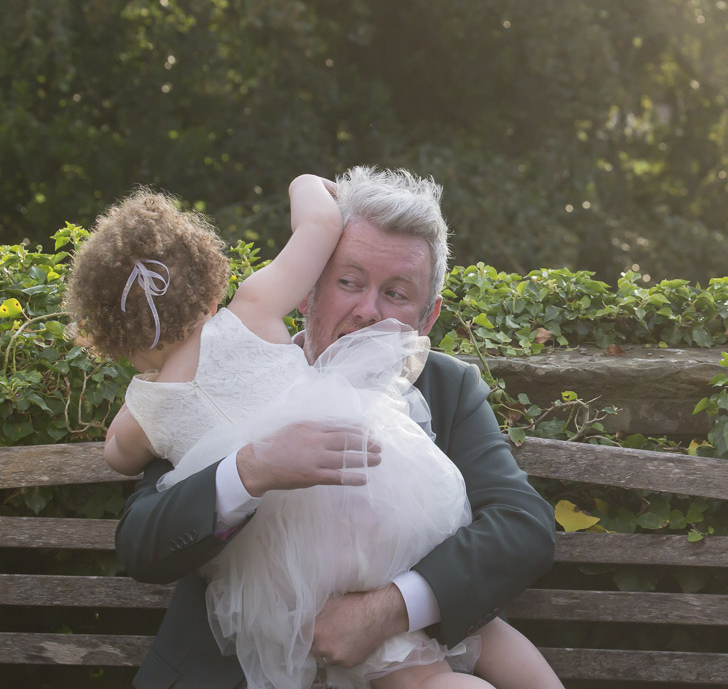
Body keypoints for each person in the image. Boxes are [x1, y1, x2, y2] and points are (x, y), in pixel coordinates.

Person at [68, 170, 558, 688]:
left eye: (395, 293)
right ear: (308, 291)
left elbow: (522, 526)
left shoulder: (448, 386)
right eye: (349, 282)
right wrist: (249, 468)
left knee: (477, 646)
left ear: (427, 316)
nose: (367, 310)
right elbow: (143, 541)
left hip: (405, 653)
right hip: (237, 671)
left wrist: (391, 609)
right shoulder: (220, 371)